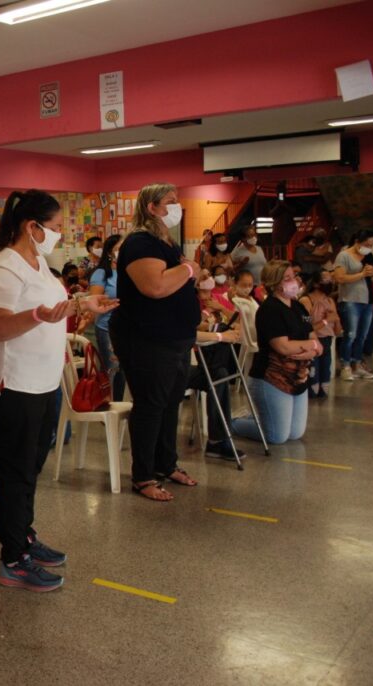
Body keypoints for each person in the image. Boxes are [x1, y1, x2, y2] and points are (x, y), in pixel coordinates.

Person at [0, 189, 117, 588]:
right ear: (32, 226)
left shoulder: (38, 261)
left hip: (44, 377)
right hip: (15, 380)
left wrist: (79, 306)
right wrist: (37, 315)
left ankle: (23, 534)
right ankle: (13, 557)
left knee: (32, 463)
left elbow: (51, 309)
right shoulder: (5, 266)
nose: (59, 234)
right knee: (16, 468)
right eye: (56, 227)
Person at [111, 183, 201, 502]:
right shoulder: (139, 243)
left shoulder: (165, 242)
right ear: (152, 208)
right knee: (151, 405)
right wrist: (189, 268)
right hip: (146, 339)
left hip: (175, 339)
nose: (176, 208)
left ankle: (167, 464)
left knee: (171, 403)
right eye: (170, 203)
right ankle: (144, 475)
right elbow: (156, 286)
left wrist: (187, 271)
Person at [233, 260, 320, 444]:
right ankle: (231, 422)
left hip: (298, 375)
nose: (293, 281)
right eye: (286, 278)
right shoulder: (269, 310)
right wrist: (311, 346)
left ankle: (261, 417)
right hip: (271, 377)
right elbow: (283, 347)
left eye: (293, 276)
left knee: (295, 433)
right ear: (274, 283)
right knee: (277, 437)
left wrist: (312, 348)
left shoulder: (299, 307)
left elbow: (316, 340)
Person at [189, 314, 245, 461]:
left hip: (183, 364)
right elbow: (186, 333)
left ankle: (217, 441)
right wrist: (220, 336)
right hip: (164, 367)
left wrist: (219, 328)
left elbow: (195, 326)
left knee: (219, 374)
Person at [333, 230, 373, 381]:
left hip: (367, 300)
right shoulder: (343, 255)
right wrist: (361, 274)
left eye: (372, 245)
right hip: (350, 299)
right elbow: (339, 277)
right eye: (367, 244)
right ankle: (345, 365)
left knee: (362, 336)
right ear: (358, 241)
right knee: (350, 334)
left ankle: (357, 364)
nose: (369, 247)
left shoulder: (368, 256)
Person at [88, 234, 126, 401]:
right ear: (110, 252)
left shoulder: (128, 271)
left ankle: (117, 403)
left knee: (123, 370)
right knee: (111, 368)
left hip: (126, 327)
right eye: (119, 248)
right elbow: (94, 302)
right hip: (107, 327)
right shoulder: (102, 273)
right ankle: (106, 404)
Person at [299, 272, 340, 398]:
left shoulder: (329, 301)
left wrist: (336, 320)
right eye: (326, 279)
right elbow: (305, 328)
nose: (330, 282)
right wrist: (326, 321)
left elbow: (337, 328)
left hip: (327, 341)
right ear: (316, 283)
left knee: (325, 374)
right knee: (313, 375)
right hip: (312, 342)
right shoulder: (306, 301)